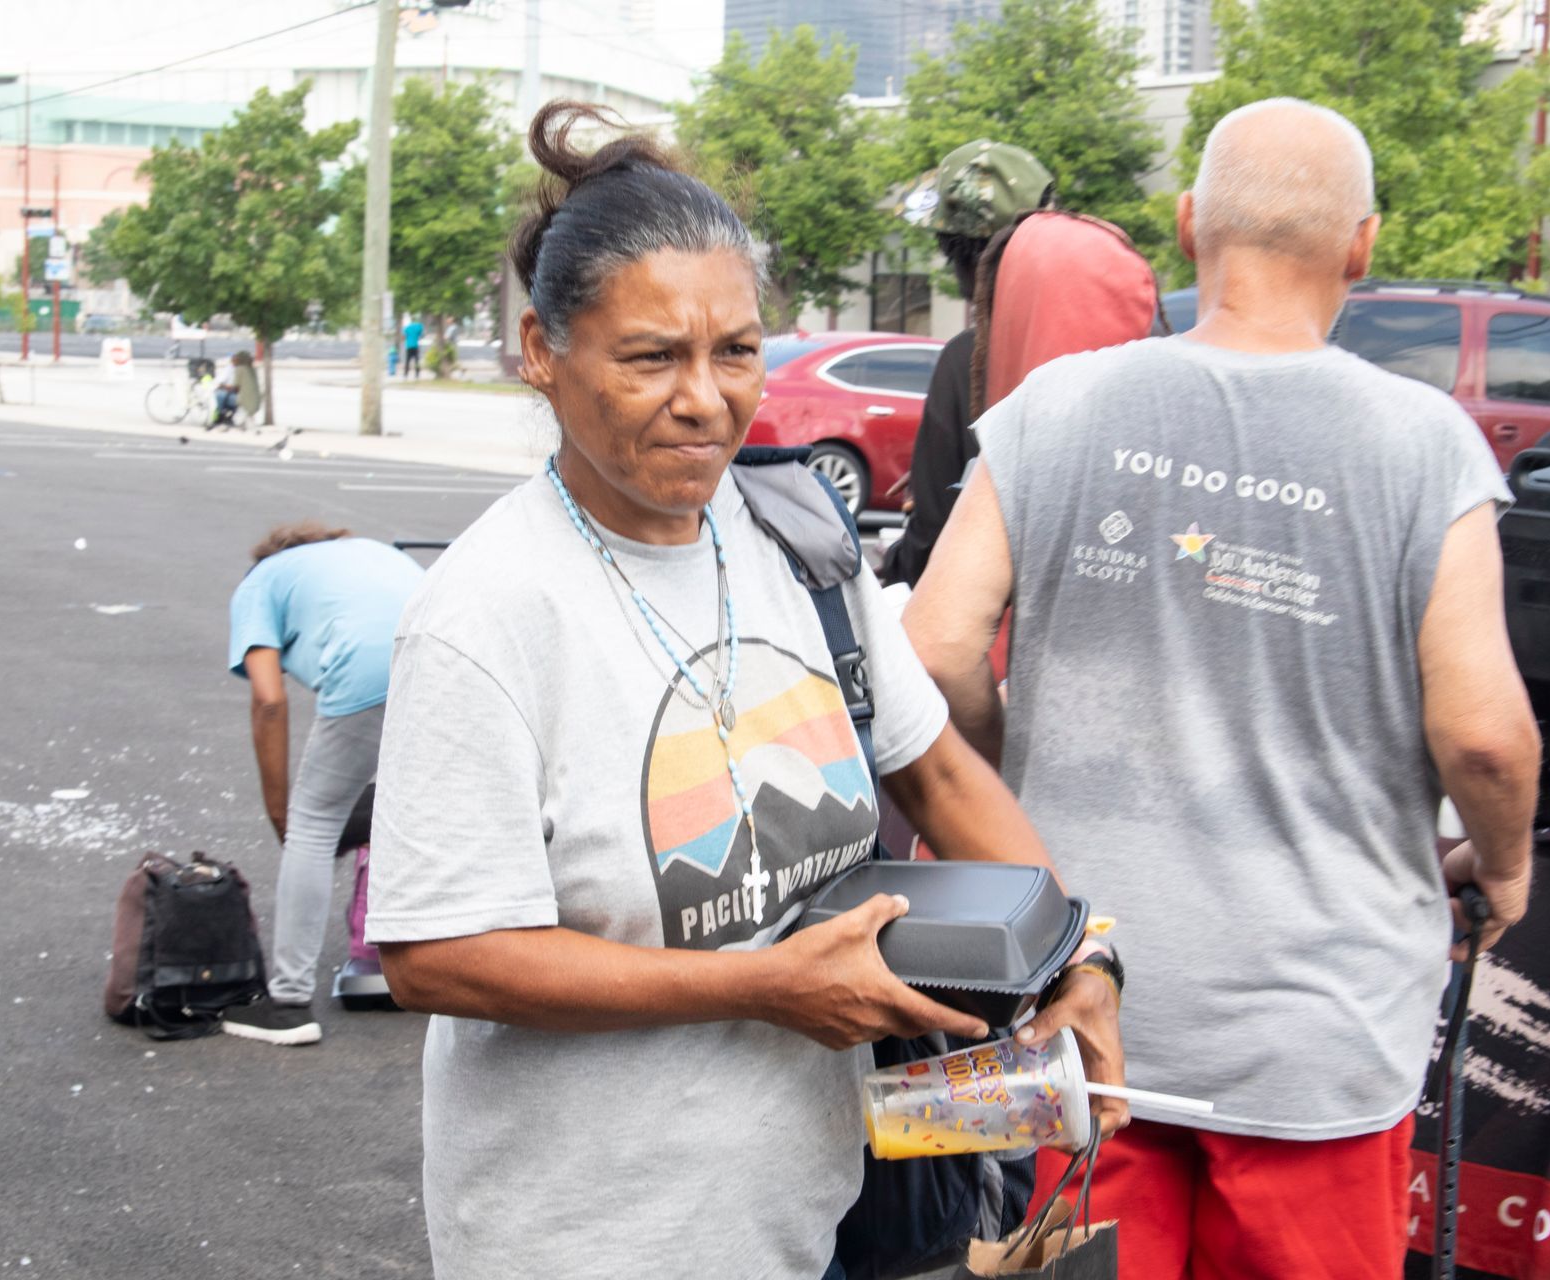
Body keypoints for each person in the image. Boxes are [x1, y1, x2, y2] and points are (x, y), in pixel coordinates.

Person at [363, 102, 1126, 1280]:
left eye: (735, 349)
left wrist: (1079, 955)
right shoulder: (487, 613)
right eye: (651, 356)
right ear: (539, 350)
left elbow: (935, 766)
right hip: (593, 1238)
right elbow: (441, 953)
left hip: (813, 1211)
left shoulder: (793, 536)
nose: (707, 398)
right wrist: (758, 985)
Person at [903, 98, 1541, 1279]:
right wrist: (1503, 867)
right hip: (1316, 1042)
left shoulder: (1058, 406)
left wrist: (1011, 785)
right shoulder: (1424, 441)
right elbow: (1486, 738)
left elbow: (936, 646)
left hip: (1088, 1021)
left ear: (1191, 224)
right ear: (1362, 245)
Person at [223, 522, 424, 1046]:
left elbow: (268, 699)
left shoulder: (258, 582)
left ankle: (288, 1004)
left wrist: (284, 818)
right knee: (425, 801)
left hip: (369, 669)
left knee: (313, 824)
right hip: (457, 655)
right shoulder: (366, 551)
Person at [881, 141, 1053, 589]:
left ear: (955, 256)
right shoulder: (1117, 341)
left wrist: (892, 565)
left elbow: (932, 545)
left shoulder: (968, 360)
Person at [212, 350, 260, 428]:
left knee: (220, 396)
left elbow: (235, 386)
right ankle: (226, 416)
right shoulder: (252, 369)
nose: (233, 361)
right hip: (255, 400)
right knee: (224, 395)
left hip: (244, 400)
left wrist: (223, 386)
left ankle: (221, 415)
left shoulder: (240, 369)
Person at [401, 316, 424, 381]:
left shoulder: (407, 327)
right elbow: (421, 334)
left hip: (408, 346)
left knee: (407, 361)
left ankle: (405, 374)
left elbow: (404, 336)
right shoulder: (418, 326)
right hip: (415, 345)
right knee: (417, 360)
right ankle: (417, 374)